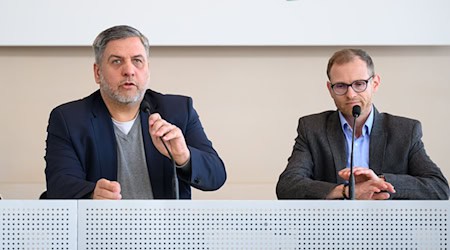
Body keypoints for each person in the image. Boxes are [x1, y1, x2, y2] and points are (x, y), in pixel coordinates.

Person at [44, 25, 226, 199]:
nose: (129, 71)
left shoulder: (178, 111)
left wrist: (183, 156)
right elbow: (59, 184)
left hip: (164, 229)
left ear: (148, 70)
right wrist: (92, 194)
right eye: (116, 61)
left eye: (137, 61)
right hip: (102, 229)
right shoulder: (69, 119)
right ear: (97, 72)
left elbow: (216, 176)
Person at [276, 48, 449, 200]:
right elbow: (287, 185)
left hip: (389, 231)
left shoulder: (405, 130)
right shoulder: (313, 128)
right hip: (330, 231)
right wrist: (346, 191)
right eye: (341, 86)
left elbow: (439, 188)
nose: (350, 94)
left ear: (375, 83)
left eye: (359, 84)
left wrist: (380, 183)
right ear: (330, 89)